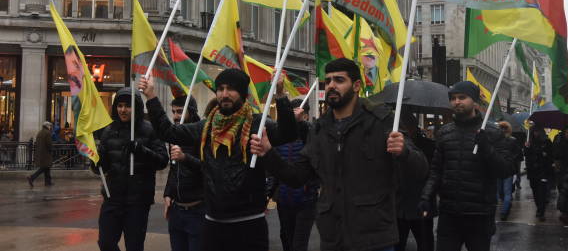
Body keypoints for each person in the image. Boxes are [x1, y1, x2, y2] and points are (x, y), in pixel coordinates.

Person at [250, 58, 429, 251]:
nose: (331, 86)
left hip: (374, 238)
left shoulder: (381, 120)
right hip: (333, 238)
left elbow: (421, 169)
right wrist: (268, 153)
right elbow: (296, 177)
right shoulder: (319, 129)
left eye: (339, 80)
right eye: (328, 81)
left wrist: (404, 152)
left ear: (356, 86)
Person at [139, 68, 297, 251]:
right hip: (213, 224)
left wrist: (280, 95)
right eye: (220, 89)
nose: (224, 94)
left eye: (231, 88)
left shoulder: (257, 124)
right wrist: (151, 96)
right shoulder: (207, 127)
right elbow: (168, 132)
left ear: (243, 93)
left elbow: (288, 133)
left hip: (248, 224)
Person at [420, 81, 513, 251]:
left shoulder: (492, 133)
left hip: (480, 216)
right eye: (453, 98)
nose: (457, 102)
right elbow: (436, 171)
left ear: (474, 101)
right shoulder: (444, 133)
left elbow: (505, 170)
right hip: (449, 215)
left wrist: (487, 148)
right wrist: (426, 196)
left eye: (462, 97)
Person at [93, 87, 169, 251]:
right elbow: (102, 166)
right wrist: (96, 162)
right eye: (119, 106)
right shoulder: (108, 131)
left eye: (128, 106)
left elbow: (163, 161)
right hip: (113, 198)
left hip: (138, 200)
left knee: (134, 246)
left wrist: (142, 151)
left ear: (137, 108)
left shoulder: (149, 130)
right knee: (106, 243)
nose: (123, 110)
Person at [273, 99, 319, 251]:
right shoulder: (279, 137)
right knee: (286, 239)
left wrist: (300, 124)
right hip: (284, 199)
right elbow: (273, 168)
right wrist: (270, 193)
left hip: (306, 200)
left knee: (299, 244)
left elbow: (314, 146)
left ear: (306, 115)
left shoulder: (310, 133)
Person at [162, 95, 205, 251]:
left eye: (180, 111)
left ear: (191, 111)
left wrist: (185, 158)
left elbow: (209, 169)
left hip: (198, 210)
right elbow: (174, 169)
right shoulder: (174, 136)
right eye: (173, 112)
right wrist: (168, 193)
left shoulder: (202, 135)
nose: (175, 116)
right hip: (177, 210)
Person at [395, 110, 435, 251]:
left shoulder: (428, 145)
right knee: (398, 244)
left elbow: (432, 173)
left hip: (421, 204)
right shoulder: (393, 144)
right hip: (399, 205)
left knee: (425, 243)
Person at [524, 125, 554, 221]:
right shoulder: (529, 142)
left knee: (542, 192)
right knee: (535, 191)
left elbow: (551, 156)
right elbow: (526, 155)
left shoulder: (547, 142)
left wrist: (544, 155)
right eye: (534, 131)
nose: (536, 133)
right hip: (532, 171)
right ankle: (539, 208)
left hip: (543, 171)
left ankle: (541, 211)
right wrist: (526, 147)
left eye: (537, 131)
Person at [496, 121, 520, 221]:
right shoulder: (512, 140)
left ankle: (503, 211)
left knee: (503, 192)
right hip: (505, 169)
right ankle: (505, 209)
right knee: (505, 192)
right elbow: (518, 155)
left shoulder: (497, 140)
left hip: (502, 168)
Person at [27, 121, 54, 187]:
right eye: (50, 126)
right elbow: (49, 144)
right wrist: (51, 150)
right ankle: (32, 177)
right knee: (44, 168)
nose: (50, 127)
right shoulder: (47, 133)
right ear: (47, 126)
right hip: (46, 153)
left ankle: (48, 182)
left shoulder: (40, 132)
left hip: (40, 153)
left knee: (47, 168)